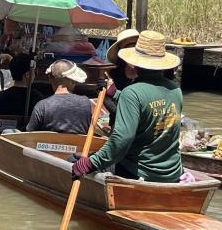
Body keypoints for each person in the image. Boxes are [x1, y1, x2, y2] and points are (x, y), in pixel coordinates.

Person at [72, 30, 182, 184]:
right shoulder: (175, 89)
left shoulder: (132, 92)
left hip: (139, 173)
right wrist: (115, 94)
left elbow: (122, 139)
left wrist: (92, 163)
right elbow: (146, 107)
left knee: (74, 159)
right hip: (172, 173)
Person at [26, 60, 96, 134]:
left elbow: (30, 133)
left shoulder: (42, 106)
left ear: (50, 79)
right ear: (73, 80)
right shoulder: (87, 103)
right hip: (81, 145)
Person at [0, 52, 47, 120]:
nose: (35, 74)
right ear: (27, 74)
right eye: (35, 71)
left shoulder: (1, 97)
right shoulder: (37, 98)